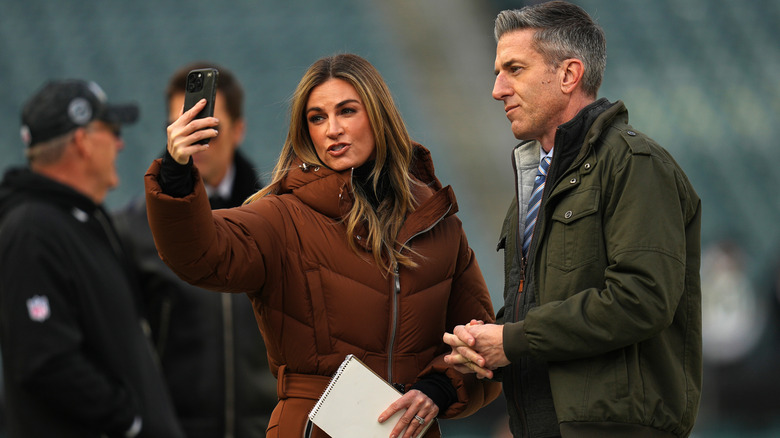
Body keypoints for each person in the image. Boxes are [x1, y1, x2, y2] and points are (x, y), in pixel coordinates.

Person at [143, 53, 501, 438]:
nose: (332, 130)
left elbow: (484, 347)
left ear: (379, 116)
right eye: (317, 118)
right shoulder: (281, 218)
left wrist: (438, 388)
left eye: (347, 111)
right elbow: (200, 255)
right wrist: (176, 172)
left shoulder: (439, 225)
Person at [443, 2, 702, 437]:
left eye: (514, 69)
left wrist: (511, 340)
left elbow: (642, 298)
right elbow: (547, 307)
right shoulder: (538, 181)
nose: (497, 89)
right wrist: (488, 341)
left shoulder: (635, 163)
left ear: (568, 75)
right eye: (497, 72)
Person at [0, 80, 184, 437]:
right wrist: (128, 421)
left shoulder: (81, 220)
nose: (120, 143)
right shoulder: (31, 230)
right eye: (112, 131)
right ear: (82, 142)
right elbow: (45, 361)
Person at [113, 62, 276, 438]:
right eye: (182, 124)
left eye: (207, 125)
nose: (194, 136)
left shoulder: (277, 220)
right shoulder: (132, 230)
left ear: (238, 130)